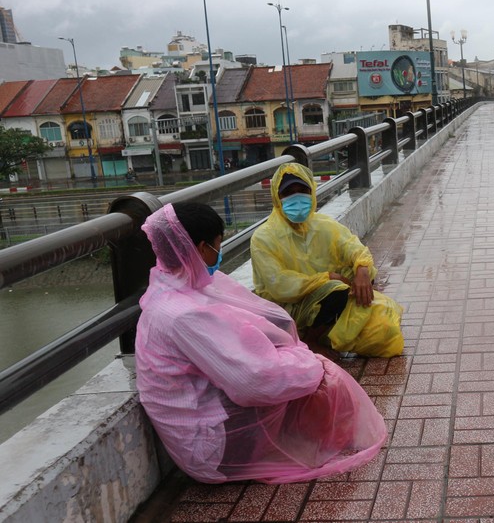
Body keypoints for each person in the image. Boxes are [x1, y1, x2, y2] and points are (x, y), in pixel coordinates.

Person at [135, 202, 386, 484]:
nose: (219, 253)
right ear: (203, 248)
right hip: (210, 449)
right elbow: (254, 382)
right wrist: (308, 364)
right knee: (321, 380)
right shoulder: (182, 314)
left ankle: (314, 433)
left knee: (303, 372)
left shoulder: (173, 285)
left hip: (204, 418)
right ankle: (319, 441)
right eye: (218, 245)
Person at [250, 162, 404, 358]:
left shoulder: (323, 225)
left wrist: (362, 270)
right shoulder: (264, 237)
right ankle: (310, 339)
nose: (297, 197)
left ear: (312, 192)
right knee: (335, 288)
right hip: (287, 308)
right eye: (288, 193)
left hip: (323, 298)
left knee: (379, 318)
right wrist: (327, 278)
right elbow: (279, 285)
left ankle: (329, 331)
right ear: (277, 197)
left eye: (303, 190)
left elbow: (353, 248)